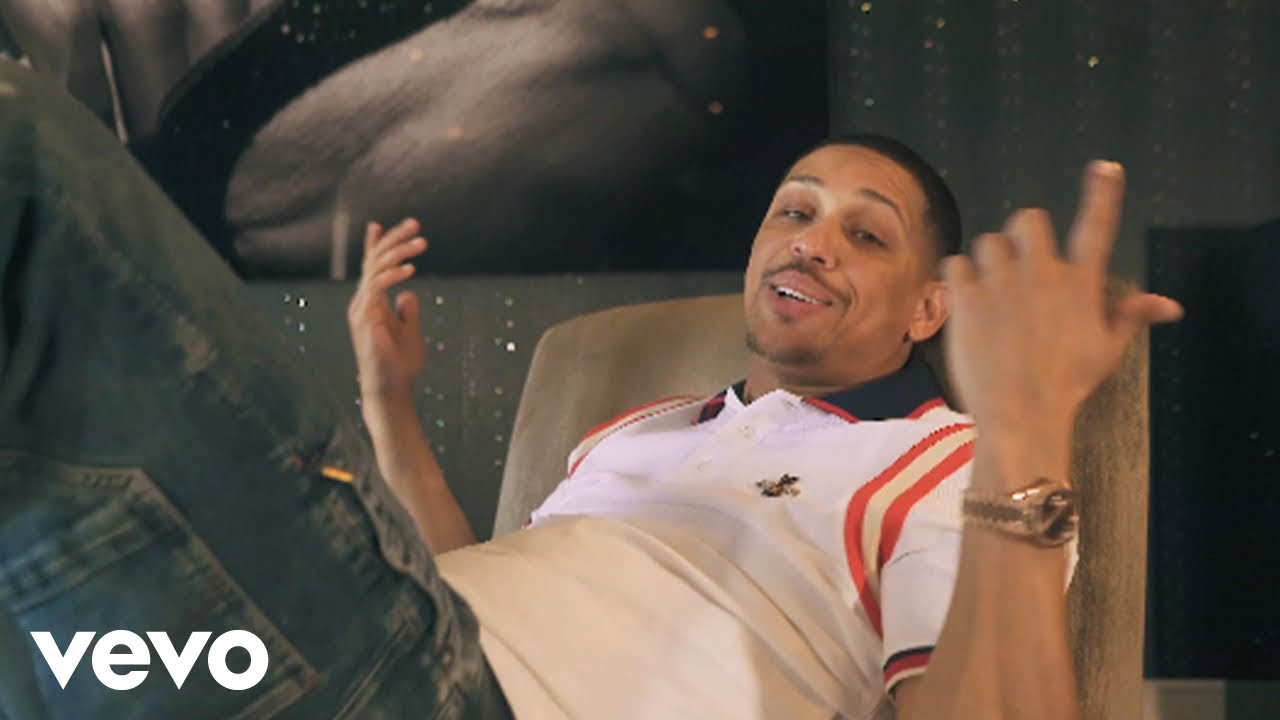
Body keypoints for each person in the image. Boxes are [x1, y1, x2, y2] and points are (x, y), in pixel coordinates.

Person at [0, 60, 1181, 719]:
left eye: (863, 234)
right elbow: (466, 587)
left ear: (928, 308)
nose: (810, 241)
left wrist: (1026, 424)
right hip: (369, 657)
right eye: (792, 209)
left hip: (441, 693)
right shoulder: (634, 431)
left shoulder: (947, 464)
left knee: (26, 159)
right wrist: (389, 405)